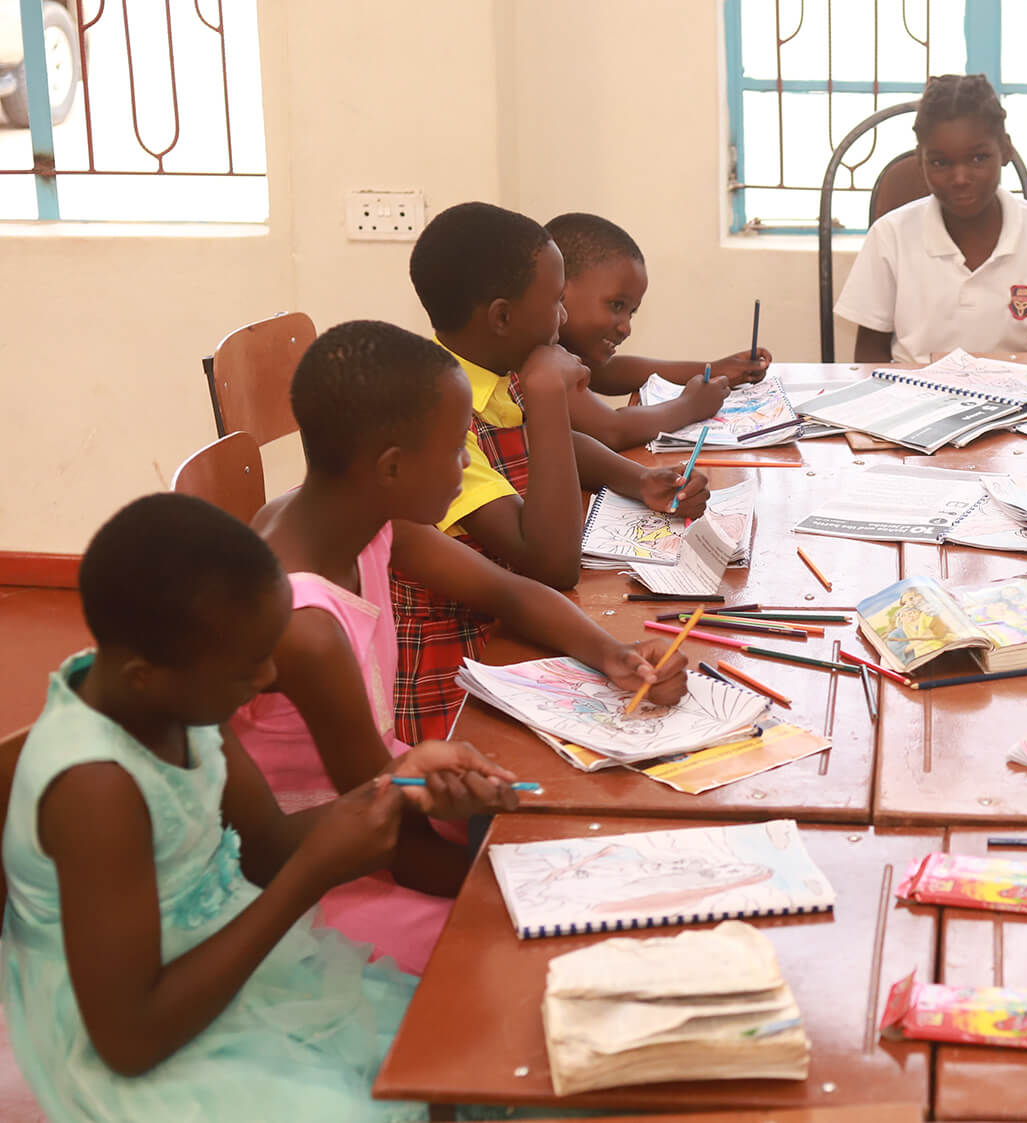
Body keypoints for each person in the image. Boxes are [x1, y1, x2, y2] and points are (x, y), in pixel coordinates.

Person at [3, 493, 519, 1122]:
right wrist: (311, 876)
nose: (269, 677)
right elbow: (130, 1041)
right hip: (146, 1044)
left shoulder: (173, 697)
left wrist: (398, 788)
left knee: (466, 1048)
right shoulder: (95, 790)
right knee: (403, 1095)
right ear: (148, 674)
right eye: (249, 667)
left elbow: (265, 845)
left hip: (226, 970)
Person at [234, 320, 690, 972]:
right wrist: (525, 885)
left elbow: (511, 592)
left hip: (393, 794)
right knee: (530, 952)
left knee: (571, 825)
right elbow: (389, 833)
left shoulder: (359, 514)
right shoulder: (305, 624)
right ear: (392, 467)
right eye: (456, 451)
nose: (469, 468)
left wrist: (611, 653)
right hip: (325, 865)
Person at [396, 201, 708, 742]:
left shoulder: (495, 367)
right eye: (554, 303)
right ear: (501, 317)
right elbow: (551, 565)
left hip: (520, 632)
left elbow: (551, 446)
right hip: (459, 686)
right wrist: (546, 395)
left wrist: (638, 481)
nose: (562, 320)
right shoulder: (429, 419)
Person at [835, 73, 1027, 364]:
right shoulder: (890, 235)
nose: (960, 178)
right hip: (912, 398)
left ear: (1005, 150)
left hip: (1016, 403)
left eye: (978, 158)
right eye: (940, 162)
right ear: (920, 160)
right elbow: (869, 356)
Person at [544, 211, 772, 451]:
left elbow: (607, 372)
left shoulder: (562, 352)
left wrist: (715, 368)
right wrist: (690, 406)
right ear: (559, 286)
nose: (626, 328)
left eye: (631, 313)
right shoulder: (538, 358)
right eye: (616, 305)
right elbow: (612, 430)